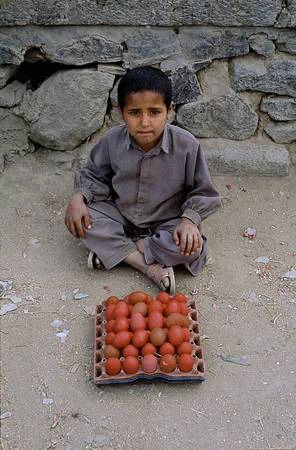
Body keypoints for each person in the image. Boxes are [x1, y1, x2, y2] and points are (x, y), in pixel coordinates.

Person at [65, 66, 221, 295]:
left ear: (169, 110)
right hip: (122, 215)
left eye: (154, 112)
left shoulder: (187, 145)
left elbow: (203, 192)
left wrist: (189, 221)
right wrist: (77, 198)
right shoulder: (112, 141)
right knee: (83, 220)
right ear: (121, 112)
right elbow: (94, 175)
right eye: (135, 113)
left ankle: (120, 251)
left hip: (166, 222)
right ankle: (146, 265)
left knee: (191, 248)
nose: (145, 122)